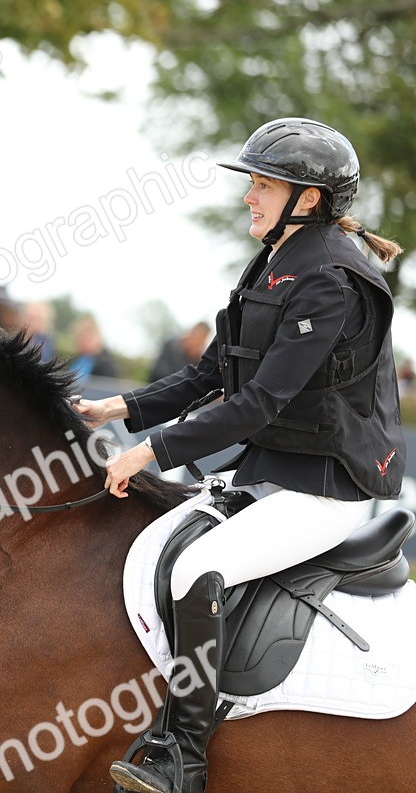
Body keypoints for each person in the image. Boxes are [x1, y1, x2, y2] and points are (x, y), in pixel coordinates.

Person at [74, 118, 405, 793]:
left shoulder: (333, 281)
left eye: (262, 184)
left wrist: (149, 452)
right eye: (252, 183)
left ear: (307, 197)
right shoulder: (276, 259)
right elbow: (211, 375)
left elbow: (259, 403)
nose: (249, 197)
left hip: (327, 489)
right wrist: (120, 409)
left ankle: (182, 757)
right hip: (272, 474)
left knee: (200, 570)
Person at [69, 315, 120, 379]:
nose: (81, 342)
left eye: (87, 338)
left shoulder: (105, 365)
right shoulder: (76, 360)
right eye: (79, 337)